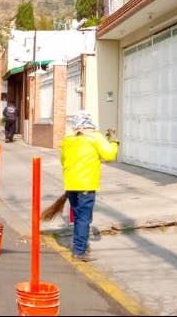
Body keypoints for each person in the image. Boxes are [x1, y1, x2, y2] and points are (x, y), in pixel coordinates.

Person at [60, 111, 119, 262]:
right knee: (84, 219)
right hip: (86, 184)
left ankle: (82, 246)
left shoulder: (67, 139)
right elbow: (109, 155)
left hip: (70, 183)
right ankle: (79, 251)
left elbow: (63, 160)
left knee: (79, 216)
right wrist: (114, 141)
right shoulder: (96, 137)